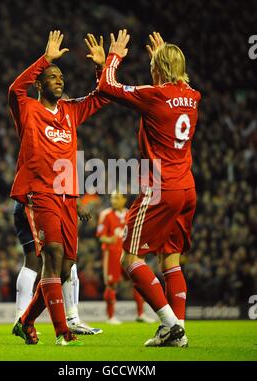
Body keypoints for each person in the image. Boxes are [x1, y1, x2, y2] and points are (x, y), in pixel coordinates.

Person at [98, 30, 201, 347]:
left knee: (129, 260)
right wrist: (163, 58)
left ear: (158, 70)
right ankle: (178, 331)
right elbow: (173, 89)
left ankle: (170, 324)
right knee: (171, 259)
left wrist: (113, 58)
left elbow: (107, 86)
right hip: (187, 187)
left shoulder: (155, 96)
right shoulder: (193, 96)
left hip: (161, 187)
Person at [9, 30, 109, 346]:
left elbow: (103, 96)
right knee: (51, 256)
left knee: (65, 269)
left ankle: (25, 321)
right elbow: (14, 89)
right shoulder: (27, 109)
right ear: (40, 83)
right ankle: (63, 332)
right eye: (52, 77)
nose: (59, 81)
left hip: (68, 196)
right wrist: (45, 60)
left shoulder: (70, 111)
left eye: (61, 77)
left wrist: (103, 67)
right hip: (40, 193)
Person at [13, 199, 102, 335]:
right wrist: (77, 205)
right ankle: (71, 319)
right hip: (48, 205)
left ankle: (21, 317)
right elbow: (62, 183)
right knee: (64, 261)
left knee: (32, 262)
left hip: (26, 202)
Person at [97, 191, 154, 324]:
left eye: (117, 198)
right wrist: (111, 239)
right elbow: (101, 236)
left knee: (138, 282)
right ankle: (110, 317)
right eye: (112, 198)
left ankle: (141, 314)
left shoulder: (130, 214)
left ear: (124, 200)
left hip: (127, 254)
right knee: (111, 284)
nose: (114, 201)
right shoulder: (106, 215)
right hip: (111, 254)